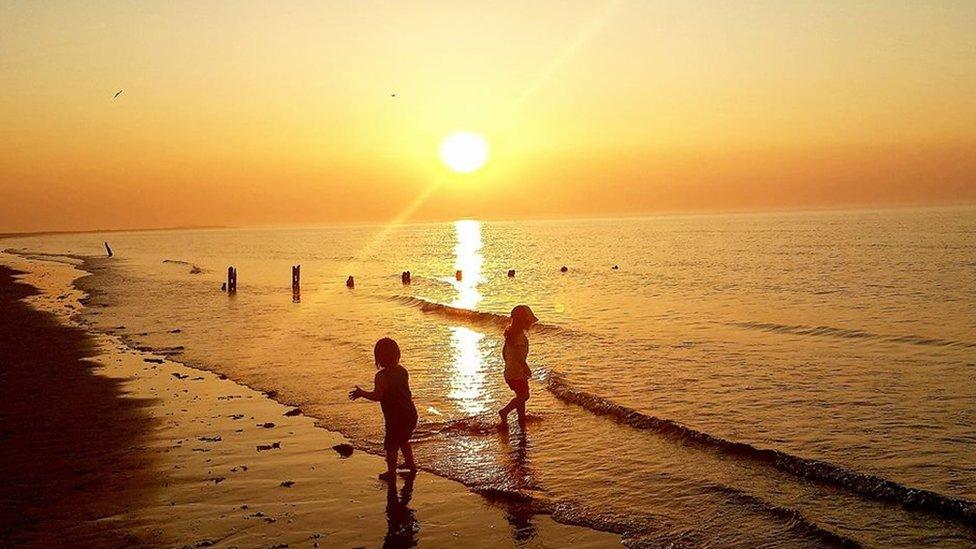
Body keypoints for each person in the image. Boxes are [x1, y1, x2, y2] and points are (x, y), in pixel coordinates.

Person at [349, 338, 418, 480]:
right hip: (410, 413)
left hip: (395, 417)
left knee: (392, 445)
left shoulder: (381, 376)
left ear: (378, 358)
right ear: (397, 354)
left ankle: (391, 472)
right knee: (403, 440)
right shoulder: (402, 371)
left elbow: (377, 396)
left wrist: (361, 393)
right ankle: (410, 464)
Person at [498, 305, 538, 427]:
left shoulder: (510, 334)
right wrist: (525, 367)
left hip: (510, 371)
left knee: (520, 396)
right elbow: (518, 356)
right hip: (517, 373)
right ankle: (504, 411)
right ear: (523, 321)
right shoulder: (519, 336)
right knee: (525, 395)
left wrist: (508, 364)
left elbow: (504, 352)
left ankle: (521, 417)